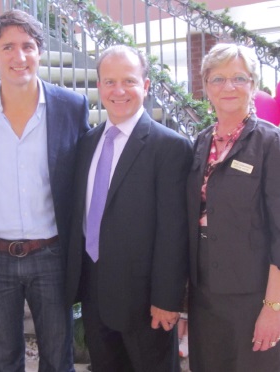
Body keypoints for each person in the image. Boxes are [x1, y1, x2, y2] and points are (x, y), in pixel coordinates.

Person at [0, 9, 89, 372]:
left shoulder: (71, 106)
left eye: (28, 46)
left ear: (40, 51)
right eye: (8, 47)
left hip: (51, 254)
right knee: (5, 358)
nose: (19, 56)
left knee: (58, 358)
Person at [65, 45, 193, 371]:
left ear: (146, 86)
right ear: (99, 87)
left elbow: (173, 232)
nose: (118, 91)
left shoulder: (170, 147)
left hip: (145, 304)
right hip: (94, 297)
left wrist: (167, 300)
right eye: (109, 82)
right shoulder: (87, 144)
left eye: (129, 81)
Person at [187, 43, 280, 372]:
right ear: (206, 87)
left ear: (253, 84)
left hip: (252, 298)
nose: (228, 87)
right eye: (218, 79)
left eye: (239, 78)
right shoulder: (199, 143)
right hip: (204, 297)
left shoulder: (271, 143)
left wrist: (274, 308)